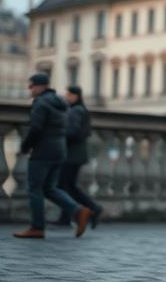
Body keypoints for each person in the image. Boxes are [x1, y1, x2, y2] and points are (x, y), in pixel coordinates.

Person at [13, 74, 92, 239]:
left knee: (35, 188)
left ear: (41, 86)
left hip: (43, 150)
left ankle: (37, 227)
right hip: (60, 150)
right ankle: (78, 211)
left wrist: (25, 147)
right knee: (50, 188)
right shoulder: (61, 102)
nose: (30, 89)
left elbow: (36, 128)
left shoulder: (41, 103)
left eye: (31, 86)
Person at [52, 86, 103, 228]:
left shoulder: (76, 110)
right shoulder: (80, 110)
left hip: (71, 155)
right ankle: (90, 210)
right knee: (69, 186)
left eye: (69, 94)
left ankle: (69, 216)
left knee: (63, 187)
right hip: (75, 155)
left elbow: (72, 132)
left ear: (76, 96)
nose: (66, 97)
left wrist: (59, 134)